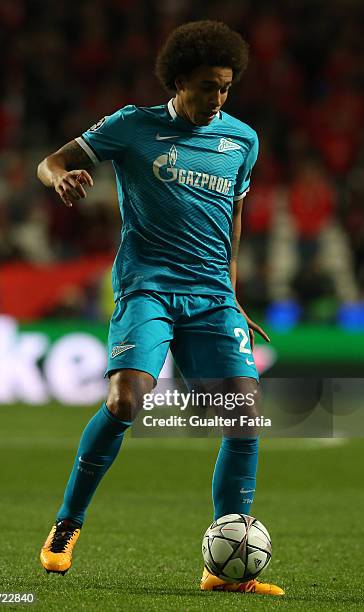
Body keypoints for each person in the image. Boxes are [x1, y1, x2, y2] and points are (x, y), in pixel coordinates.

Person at [37, 20, 284, 597]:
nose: (217, 99)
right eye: (205, 86)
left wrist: (232, 291)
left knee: (243, 417)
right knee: (126, 398)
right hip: (147, 286)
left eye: (225, 87)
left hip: (212, 297)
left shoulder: (242, 140)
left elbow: (234, 218)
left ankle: (224, 571)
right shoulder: (132, 125)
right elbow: (51, 160)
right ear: (177, 81)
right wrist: (61, 179)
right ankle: (67, 524)